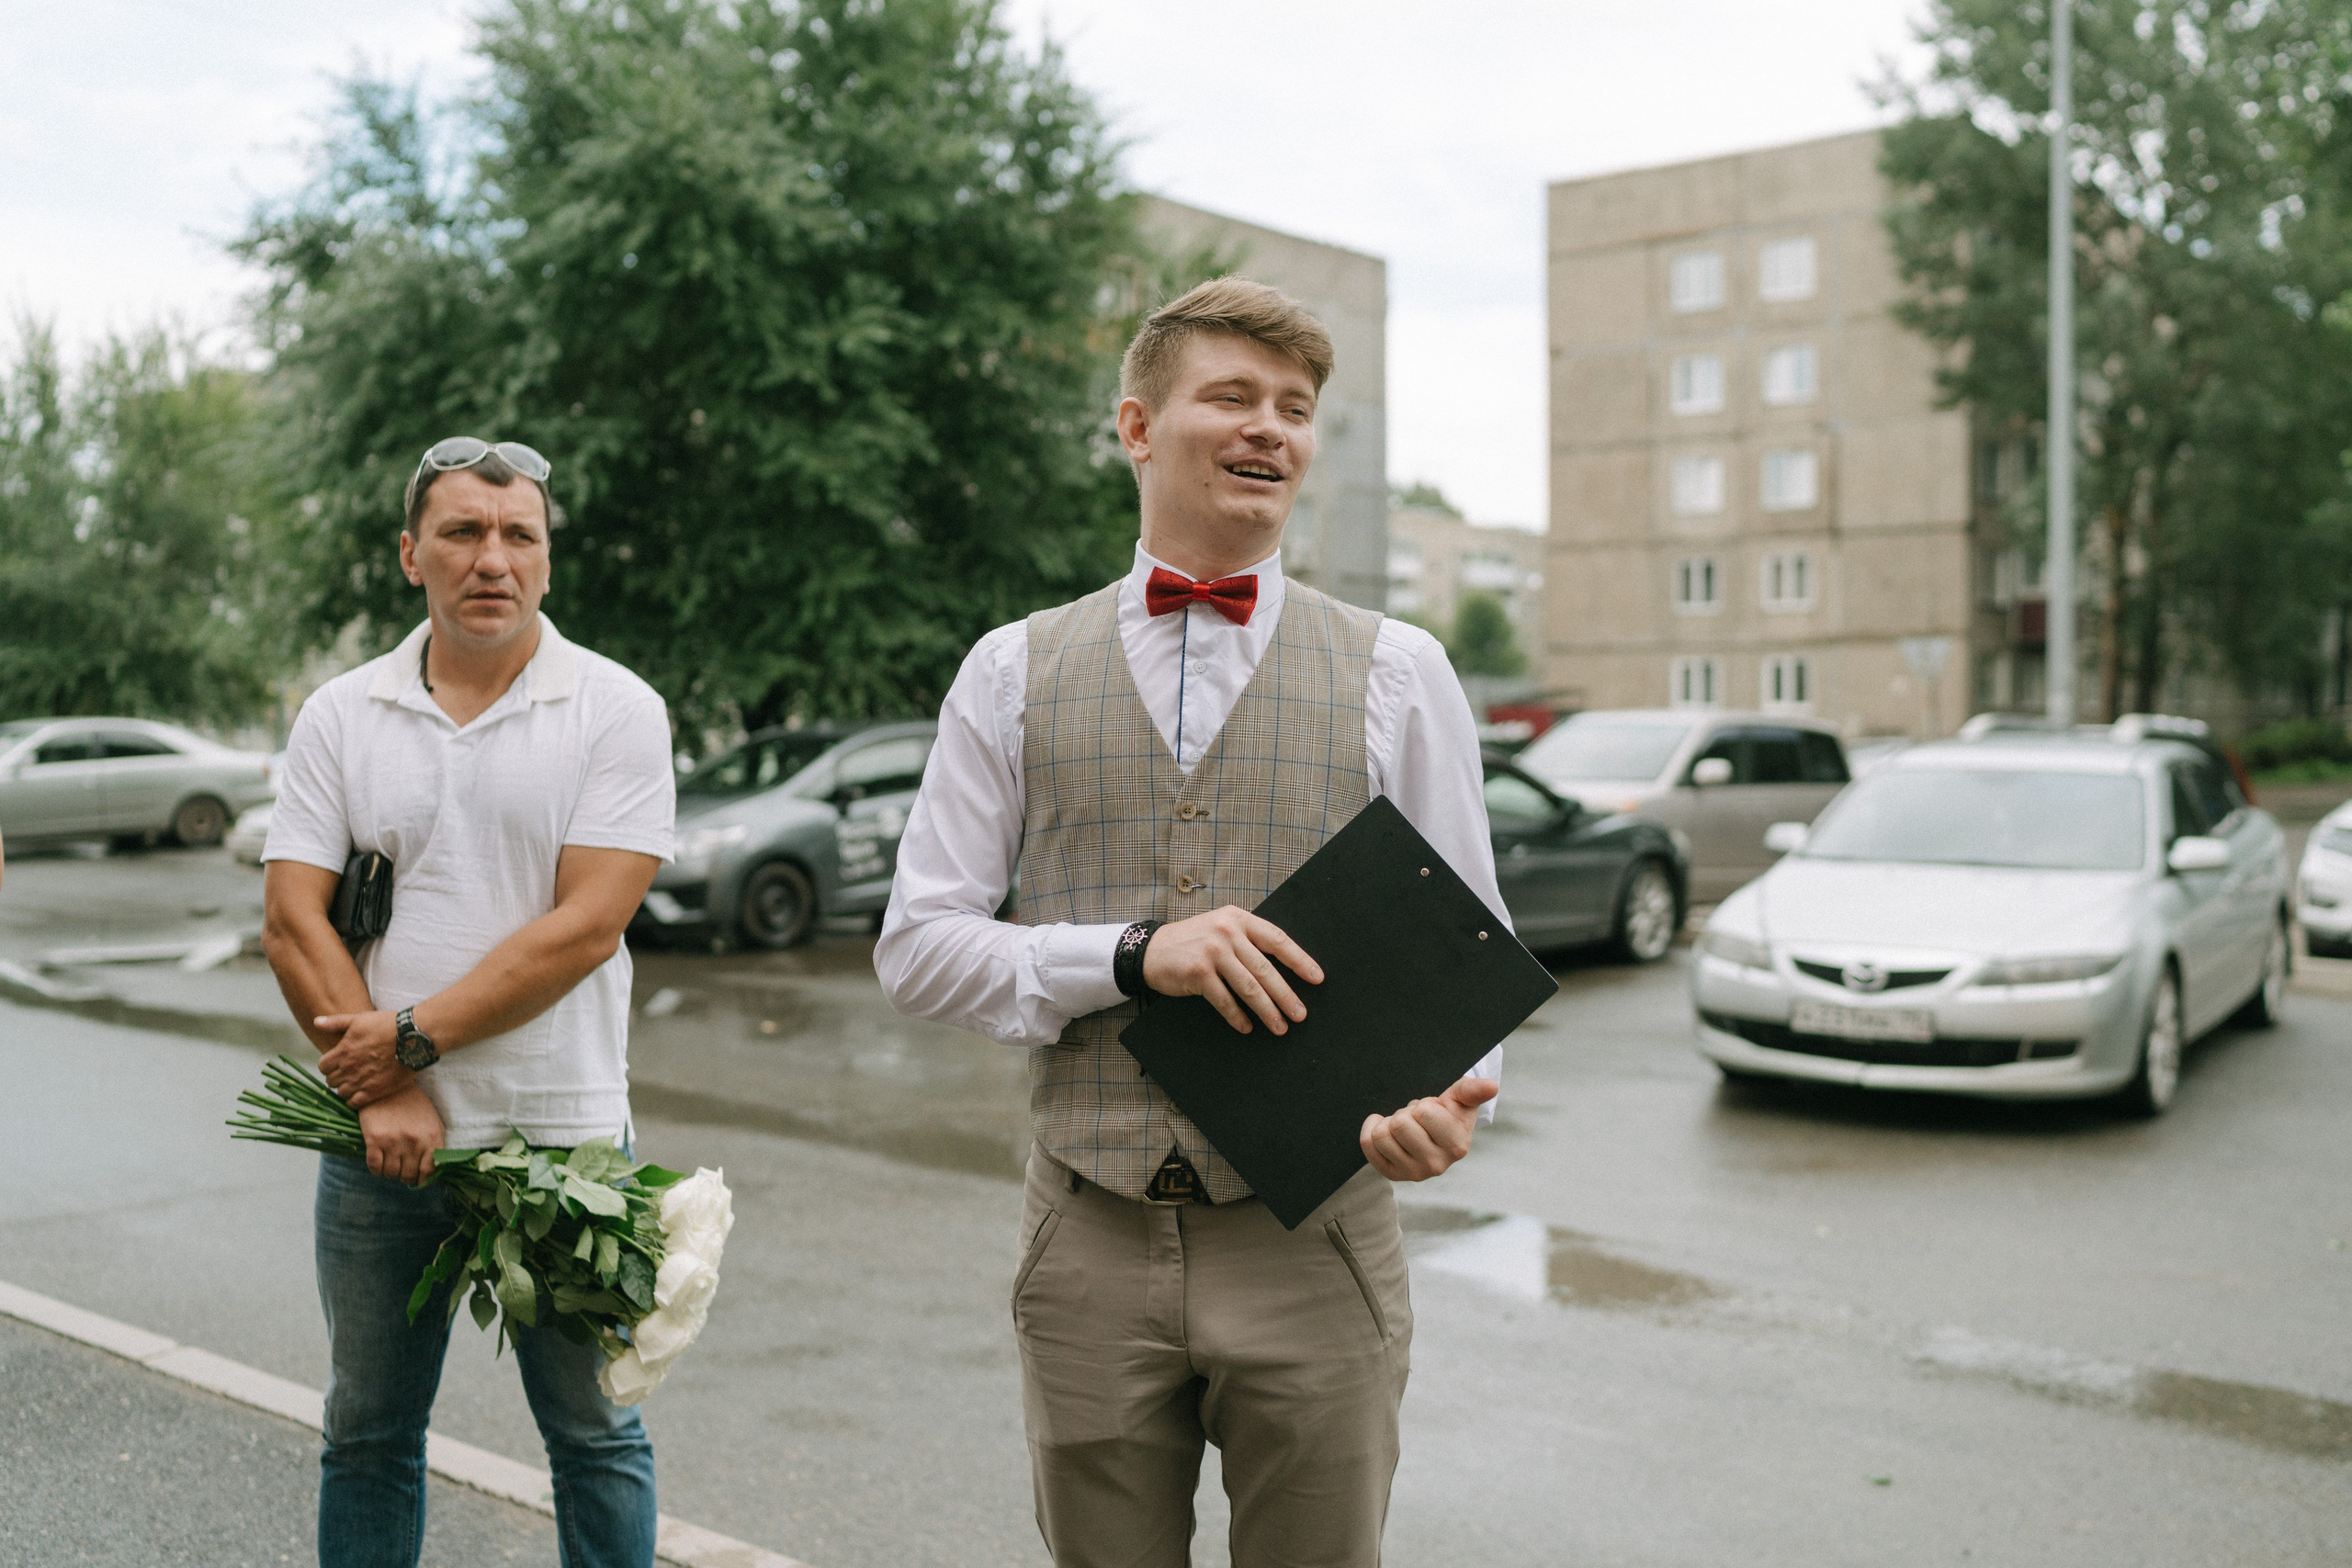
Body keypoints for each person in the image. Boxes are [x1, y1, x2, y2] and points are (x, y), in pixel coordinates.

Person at [876, 277, 1506, 1567]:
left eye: (1295, 407)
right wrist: (1125, 955)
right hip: (1087, 1233)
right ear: (1137, 427)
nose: (1270, 427)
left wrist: (1451, 1102)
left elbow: (1472, 963)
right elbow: (918, 945)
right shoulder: (1012, 667)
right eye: (1232, 395)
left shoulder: (1398, 667)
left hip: (1318, 1240)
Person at [259, 438, 676, 1568]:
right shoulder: (342, 713)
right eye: (461, 531)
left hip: (566, 1134)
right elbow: (293, 919)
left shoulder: (617, 710)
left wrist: (399, 1045)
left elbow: (587, 925)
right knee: (368, 1431)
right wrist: (381, 1092)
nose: (490, 557)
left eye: (517, 535)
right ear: (412, 556)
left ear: (547, 561)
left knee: (595, 1434)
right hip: (380, 1150)